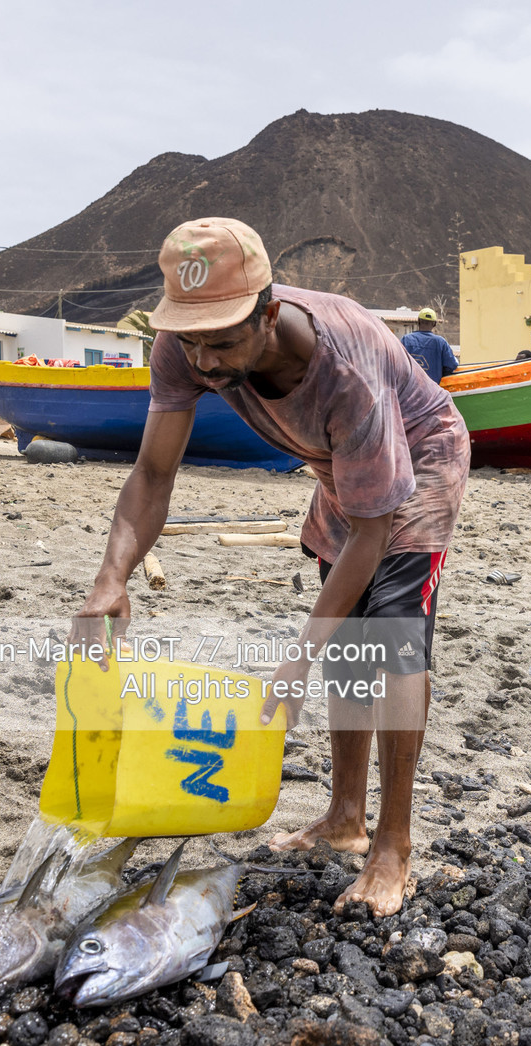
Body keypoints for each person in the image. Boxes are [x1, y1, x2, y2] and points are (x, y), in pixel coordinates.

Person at [73, 218, 469, 917]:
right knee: (347, 634)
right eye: (191, 341)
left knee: (395, 634)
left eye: (224, 341)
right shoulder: (188, 345)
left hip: (420, 449)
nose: (206, 362)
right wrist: (112, 576)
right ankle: (345, 818)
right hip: (339, 465)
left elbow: (375, 529)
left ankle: (393, 846)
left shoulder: (346, 368)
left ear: (270, 314)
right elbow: (153, 473)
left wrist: (296, 660)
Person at [400, 308, 457, 383]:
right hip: (432, 390)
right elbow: (451, 365)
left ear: (419, 321)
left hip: (409, 390)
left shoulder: (406, 340)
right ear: (434, 324)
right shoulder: (440, 342)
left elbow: (398, 364)